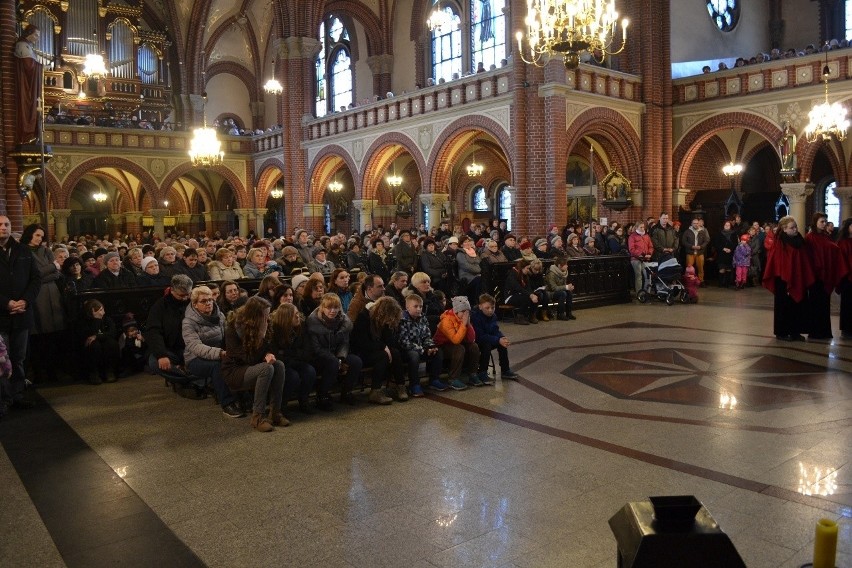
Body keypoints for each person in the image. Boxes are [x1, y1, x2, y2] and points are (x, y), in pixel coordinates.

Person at [222, 296, 287, 432]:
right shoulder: (233, 330)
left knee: (279, 365)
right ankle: (257, 417)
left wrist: (268, 353)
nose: (267, 318)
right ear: (254, 316)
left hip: (255, 365)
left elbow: (271, 348)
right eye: (264, 315)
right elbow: (246, 358)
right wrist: (261, 337)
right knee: (266, 369)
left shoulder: (264, 323)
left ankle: (275, 413)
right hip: (235, 371)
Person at [0, 215, 40, 415]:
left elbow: (35, 279)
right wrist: (6, 303)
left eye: (6, 224)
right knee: (2, 359)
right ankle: (4, 398)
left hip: (22, 313)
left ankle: (17, 395)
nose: (3, 227)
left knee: (18, 357)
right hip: (2, 315)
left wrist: (25, 301)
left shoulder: (22, 250)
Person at [182, 285, 242, 418]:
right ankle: (227, 404)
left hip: (219, 353)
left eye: (210, 299)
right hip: (195, 359)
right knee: (217, 367)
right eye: (203, 301)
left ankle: (243, 397)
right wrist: (220, 353)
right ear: (195, 304)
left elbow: (228, 335)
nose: (208, 303)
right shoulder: (188, 323)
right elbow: (195, 346)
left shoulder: (219, 315)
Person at [21, 224, 66, 383]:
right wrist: (51, 267)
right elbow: (30, 275)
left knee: (53, 336)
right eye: (36, 235)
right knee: (38, 336)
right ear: (29, 234)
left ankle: (53, 370)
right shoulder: (23, 251)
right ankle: (39, 372)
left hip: (52, 294)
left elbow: (56, 273)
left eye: (41, 236)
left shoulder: (46, 251)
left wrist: (46, 273)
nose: (39, 239)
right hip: (36, 296)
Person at [762, 216, 816, 341]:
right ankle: (782, 332)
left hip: (798, 279)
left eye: (796, 226)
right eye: (792, 227)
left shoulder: (800, 241)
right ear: (784, 229)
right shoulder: (780, 242)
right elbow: (777, 261)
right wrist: (786, 278)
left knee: (797, 306)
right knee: (784, 306)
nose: (795, 229)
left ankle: (795, 332)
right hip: (782, 280)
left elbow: (804, 260)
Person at [306, 293, 362, 408]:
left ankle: (346, 391)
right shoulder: (313, 322)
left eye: (336, 307)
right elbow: (316, 348)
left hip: (337, 354)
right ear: (322, 308)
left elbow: (344, 343)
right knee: (332, 363)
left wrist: (341, 357)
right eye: (329, 308)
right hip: (319, 356)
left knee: (356, 361)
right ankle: (322, 395)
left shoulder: (343, 321)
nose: (332, 311)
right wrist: (335, 359)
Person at [351, 296, 405, 404]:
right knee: (382, 357)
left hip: (377, 348)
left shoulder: (382, 319)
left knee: (395, 353)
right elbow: (362, 343)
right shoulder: (363, 317)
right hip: (362, 352)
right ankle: (375, 391)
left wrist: (386, 344)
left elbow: (388, 340)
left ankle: (400, 386)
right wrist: (383, 347)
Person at [805, 212, 848, 339]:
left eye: (825, 222)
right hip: (815, 276)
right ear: (815, 222)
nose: (824, 224)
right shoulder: (810, 237)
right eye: (821, 222)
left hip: (826, 275)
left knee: (824, 304)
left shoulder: (826, 237)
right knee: (815, 304)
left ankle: (824, 331)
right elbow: (809, 257)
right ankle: (815, 332)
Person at [268, 303, 317, 414]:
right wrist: (292, 354)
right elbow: (276, 353)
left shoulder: (302, 326)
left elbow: (308, 351)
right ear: (286, 318)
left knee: (310, 371)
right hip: (283, 364)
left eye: (297, 314)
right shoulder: (275, 329)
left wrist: (288, 352)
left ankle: (303, 400)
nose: (298, 317)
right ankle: (282, 405)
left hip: (298, 361)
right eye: (294, 315)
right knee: (292, 377)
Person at [397, 294, 446, 395]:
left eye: (420, 306)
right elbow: (404, 342)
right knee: (414, 355)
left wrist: (430, 347)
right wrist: (423, 350)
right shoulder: (402, 320)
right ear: (407, 307)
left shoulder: (423, 317)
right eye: (415, 306)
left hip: (421, 348)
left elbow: (427, 336)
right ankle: (414, 385)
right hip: (405, 350)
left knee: (438, 351)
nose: (419, 309)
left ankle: (434, 380)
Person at [146, 274, 193, 373]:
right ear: (172, 290)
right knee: (154, 362)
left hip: (193, 347)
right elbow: (154, 331)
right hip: (171, 349)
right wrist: (161, 355)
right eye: (181, 295)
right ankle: (186, 377)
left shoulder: (194, 301)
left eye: (187, 294)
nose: (185, 298)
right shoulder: (160, 306)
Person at [433, 296, 480, 389]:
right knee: (459, 348)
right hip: (441, 345)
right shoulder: (447, 320)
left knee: (473, 346)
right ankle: (453, 379)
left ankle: (473, 374)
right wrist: (463, 324)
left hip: (455, 343)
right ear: (456, 311)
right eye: (463, 312)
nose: (466, 315)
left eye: (467, 312)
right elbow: (456, 340)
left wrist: (468, 324)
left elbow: (471, 339)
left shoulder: (464, 319)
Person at [471, 293, 520, 382]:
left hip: (488, 338)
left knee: (502, 343)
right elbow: (479, 336)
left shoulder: (493, 316)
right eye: (487, 308)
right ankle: (482, 372)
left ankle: (505, 370)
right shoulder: (475, 317)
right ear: (480, 306)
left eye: (493, 308)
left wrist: (501, 338)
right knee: (487, 345)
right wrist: (497, 340)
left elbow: (495, 331)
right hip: (477, 341)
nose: (490, 310)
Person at [73, 299, 120, 384]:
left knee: (111, 344)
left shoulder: (106, 319)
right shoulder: (83, 322)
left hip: (103, 341)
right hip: (90, 346)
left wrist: (97, 336)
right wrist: (96, 320)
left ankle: (109, 372)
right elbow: (87, 336)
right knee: (94, 345)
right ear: (93, 311)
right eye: (101, 310)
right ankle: (94, 373)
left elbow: (113, 332)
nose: (104, 312)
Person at [15, 24, 42, 145]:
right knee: (27, 108)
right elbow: (28, 66)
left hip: (30, 85)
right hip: (26, 85)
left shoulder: (28, 47)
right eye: (36, 35)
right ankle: (26, 134)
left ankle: (31, 134)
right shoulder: (22, 45)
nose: (37, 38)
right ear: (29, 33)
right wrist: (41, 67)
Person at [504, 259, 538, 325]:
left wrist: (532, 294)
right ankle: (519, 317)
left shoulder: (525, 275)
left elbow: (528, 287)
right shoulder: (512, 274)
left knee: (536, 295)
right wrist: (530, 295)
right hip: (510, 296)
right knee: (526, 297)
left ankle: (532, 315)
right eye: (527, 268)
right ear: (522, 268)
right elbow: (517, 288)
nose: (528, 270)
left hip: (520, 294)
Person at [544, 256, 576, 320]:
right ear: (559, 265)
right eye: (565, 265)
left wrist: (568, 288)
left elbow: (563, 285)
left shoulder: (564, 272)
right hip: (550, 292)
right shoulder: (551, 273)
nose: (567, 266)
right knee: (563, 293)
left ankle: (569, 313)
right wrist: (566, 287)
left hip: (559, 290)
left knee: (569, 292)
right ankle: (560, 314)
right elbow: (553, 288)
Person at [837, 218, 852, 339]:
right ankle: (847, 329)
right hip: (848, 278)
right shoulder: (843, 242)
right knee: (847, 304)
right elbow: (841, 261)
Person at [682, 217, 710, 282]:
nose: (696, 224)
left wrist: (701, 247)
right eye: (694, 223)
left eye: (697, 223)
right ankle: (689, 281)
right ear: (691, 224)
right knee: (689, 268)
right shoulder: (687, 232)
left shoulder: (702, 231)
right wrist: (691, 246)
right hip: (690, 252)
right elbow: (684, 241)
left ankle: (701, 281)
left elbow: (706, 241)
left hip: (700, 252)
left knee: (701, 268)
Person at [714, 220, 738, 288]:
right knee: (722, 269)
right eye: (725, 225)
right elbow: (716, 243)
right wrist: (723, 248)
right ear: (723, 226)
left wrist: (730, 249)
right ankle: (721, 283)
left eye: (728, 225)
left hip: (730, 254)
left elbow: (736, 243)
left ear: (730, 226)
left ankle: (727, 284)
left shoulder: (734, 234)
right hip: (721, 254)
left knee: (728, 269)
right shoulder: (719, 233)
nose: (727, 226)